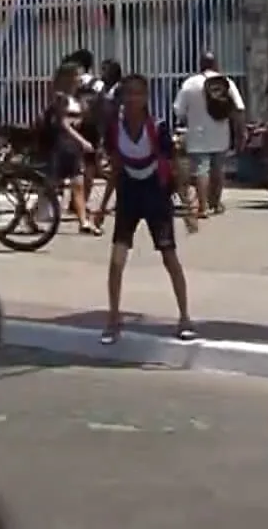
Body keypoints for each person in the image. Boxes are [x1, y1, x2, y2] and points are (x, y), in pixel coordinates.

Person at [99, 75, 197, 344]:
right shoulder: (114, 130)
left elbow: (174, 168)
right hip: (129, 195)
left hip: (156, 196)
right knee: (117, 260)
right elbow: (116, 167)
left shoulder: (158, 128)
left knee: (169, 258)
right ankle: (113, 319)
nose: (132, 100)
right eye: (127, 94)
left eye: (138, 94)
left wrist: (188, 209)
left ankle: (185, 317)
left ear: (146, 98)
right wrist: (103, 206)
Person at [172, 53, 244, 219]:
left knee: (201, 169)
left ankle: (202, 207)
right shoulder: (227, 83)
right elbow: (239, 108)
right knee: (218, 169)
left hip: (198, 134)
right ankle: (216, 203)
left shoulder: (190, 83)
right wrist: (241, 131)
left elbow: (179, 111)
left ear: (200, 64)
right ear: (216, 64)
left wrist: (191, 117)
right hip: (221, 133)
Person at [44, 62, 97, 231]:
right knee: (51, 186)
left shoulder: (77, 98)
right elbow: (63, 124)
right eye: (76, 75)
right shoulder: (61, 97)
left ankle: (83, 222)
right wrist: (83, 141)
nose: (80, 79)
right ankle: (29, 215)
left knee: (78, 185)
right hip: (61, 147)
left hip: (73, 148)